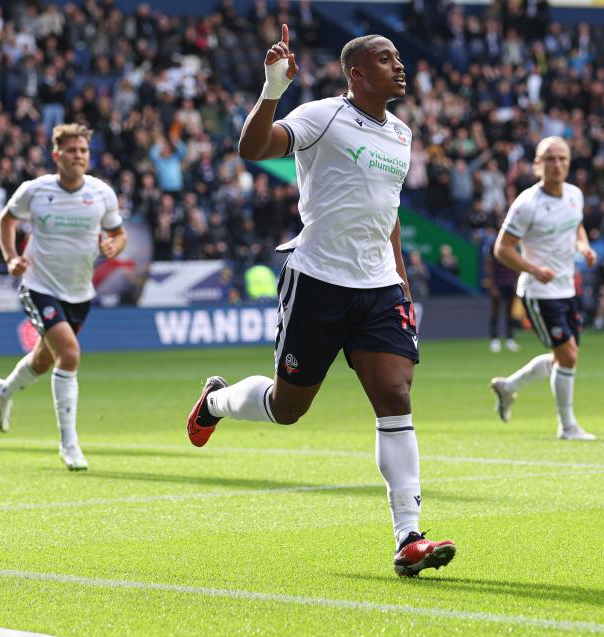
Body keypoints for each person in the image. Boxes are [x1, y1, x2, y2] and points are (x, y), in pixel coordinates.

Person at [185, 25, 456, 577]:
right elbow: (253, 148)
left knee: (395, 394)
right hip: (318, 281)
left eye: (399, 57)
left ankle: (409, 537)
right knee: (289, 409)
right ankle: (216, 401)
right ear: (356, 74)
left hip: (378, 286)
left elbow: (389, 213)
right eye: (386, 59)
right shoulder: (321, 115)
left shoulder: (401, 134)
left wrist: (401, 280)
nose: (399, 66)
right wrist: (271, 89)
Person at [0, 123, 126, 471]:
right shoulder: (35, 191)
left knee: (43, 361)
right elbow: (5, 221)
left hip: (79, 292)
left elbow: (118, 232)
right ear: (56, 155)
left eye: (83, 150)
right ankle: (69, 444)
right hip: (38, 285)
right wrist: (10, 258)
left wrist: (114, 246)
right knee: (69, 354)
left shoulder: (101, 193)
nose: (78, 156)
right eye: (71, 150)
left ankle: (5, 391)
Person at [489, 137, 598, 441]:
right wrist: (535, 269)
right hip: (538, 292)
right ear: (538, 164)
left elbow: (576, 225)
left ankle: (508, 387)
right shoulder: (527, 204)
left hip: (566, 290)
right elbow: (502, 248)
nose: (557, 164)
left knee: (562, 358)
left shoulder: (575, 195)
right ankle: (568, 426)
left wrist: (584, 247)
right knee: (569, 356)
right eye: (549, 159)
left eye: (562, 158)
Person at [482, 227, 520, 353]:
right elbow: (488, 264)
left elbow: (517, 264)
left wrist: (516, 282)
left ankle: (510, 339)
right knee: (495, 310)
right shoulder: (494, 244)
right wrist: (492, 284)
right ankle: (494, 339)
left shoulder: (514, 244)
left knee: (510, 311)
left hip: (510, 281)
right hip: (497, 281)